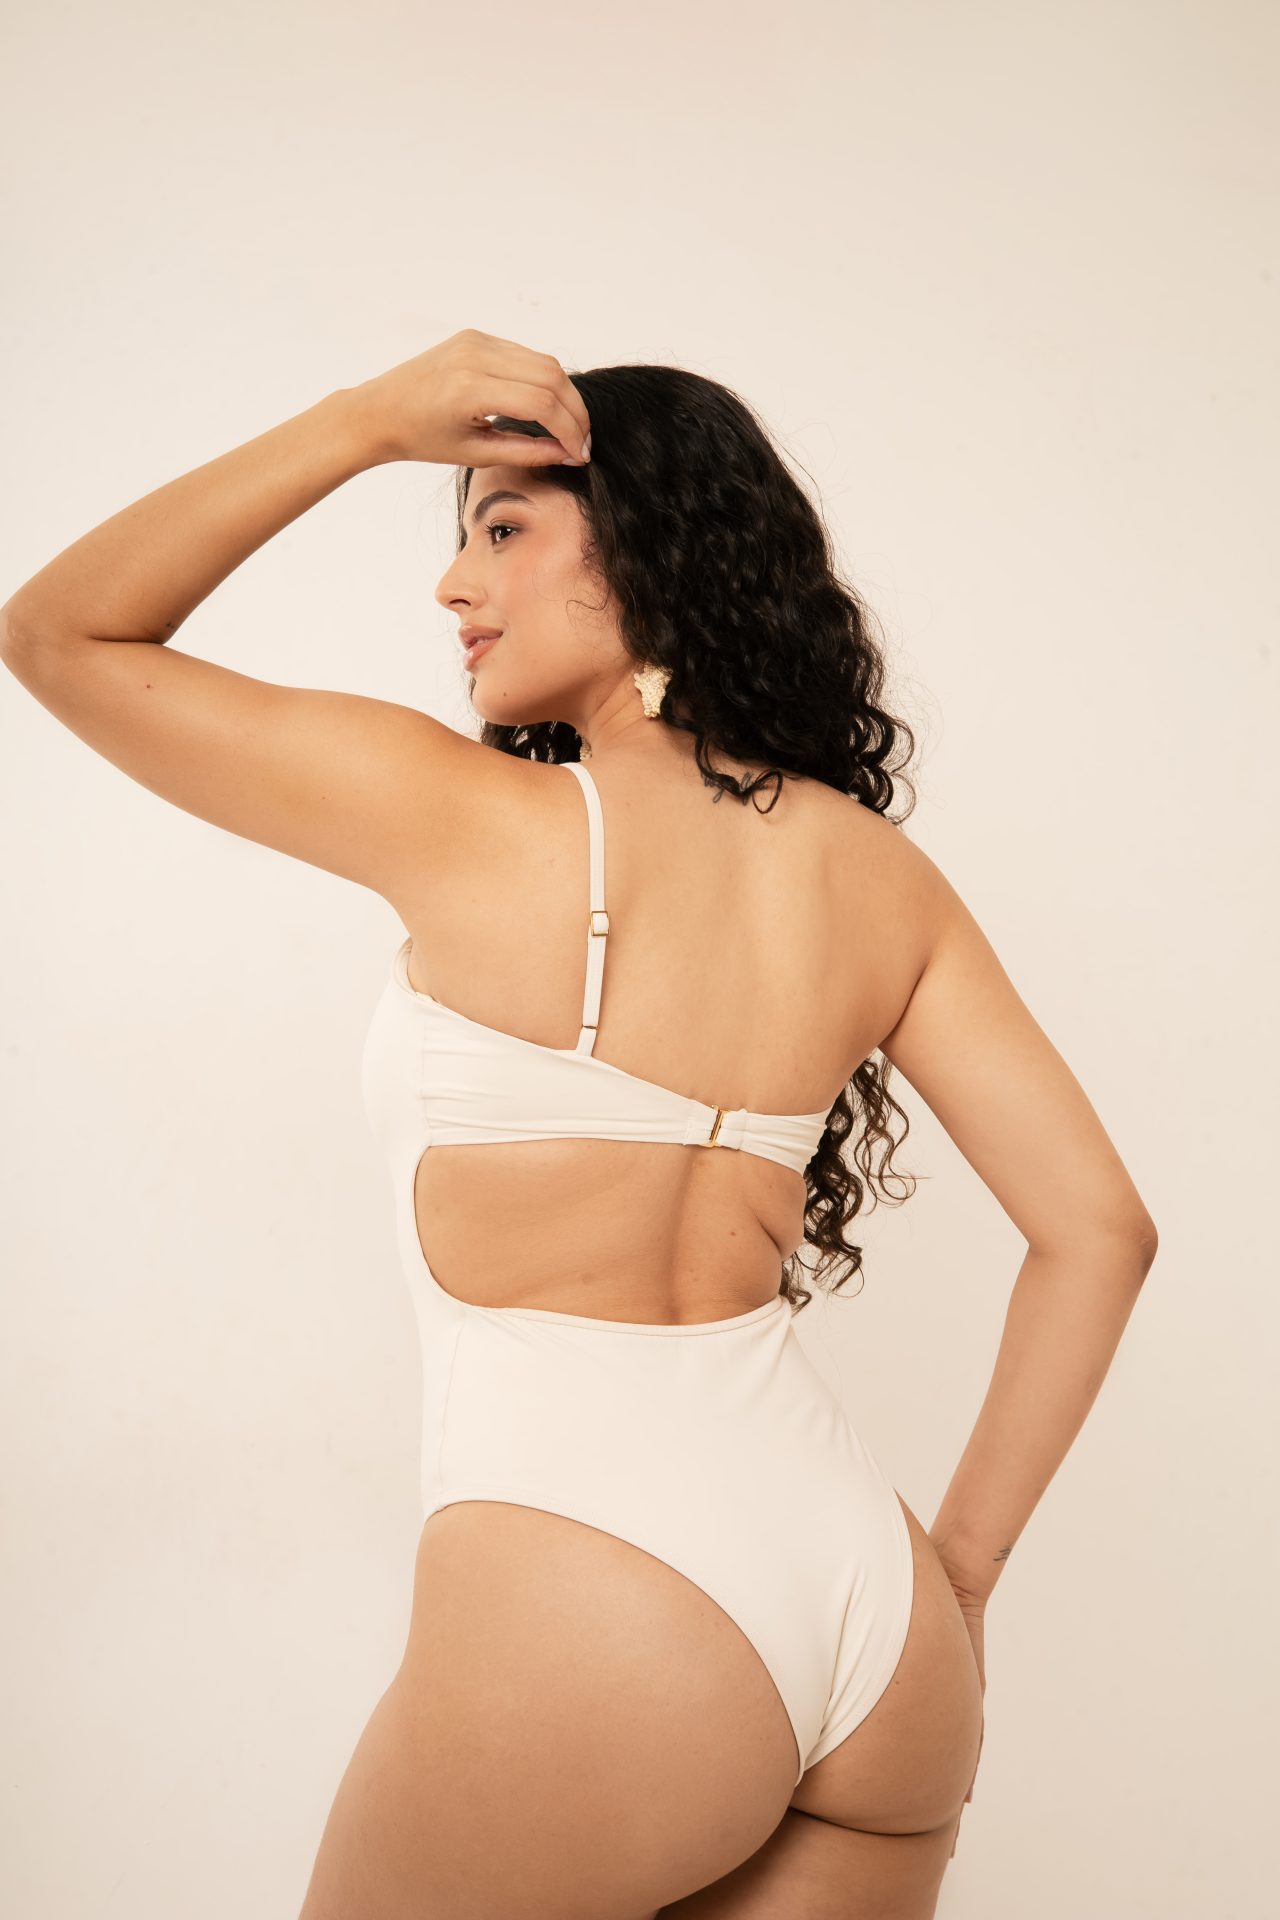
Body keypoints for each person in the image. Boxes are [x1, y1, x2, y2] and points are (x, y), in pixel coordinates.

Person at [0, 328, 1159, 1919]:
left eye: (501, 527)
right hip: (883, 1633)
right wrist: (957, 1582)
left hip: (599, 1604)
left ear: (645, 543)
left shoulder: (469, 819)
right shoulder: (881, 879)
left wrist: (363, 422)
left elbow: (58, 631)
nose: (454, 585)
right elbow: (1101, 1232)